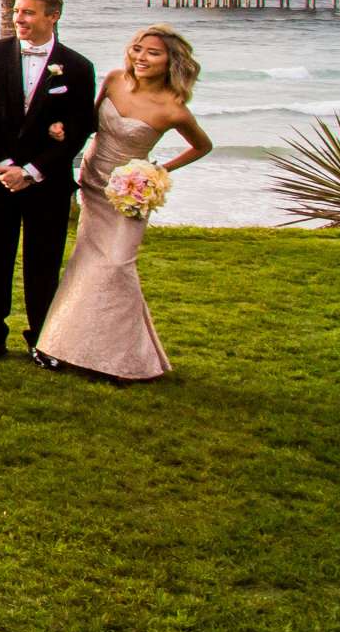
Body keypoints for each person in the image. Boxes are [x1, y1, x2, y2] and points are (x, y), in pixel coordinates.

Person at [37, 25, 211, 381]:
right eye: (137, 49)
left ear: (170, 61)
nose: (141, 57)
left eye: (153, 52)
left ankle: (124, 360)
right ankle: (70, 346)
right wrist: (61, 129)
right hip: (94, 181)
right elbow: (89, 121)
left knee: (117, 266)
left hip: (131, 191)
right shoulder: (115, 80)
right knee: (88, 262)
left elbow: (202, 146)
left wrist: (159, 169)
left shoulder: (174, 108)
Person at [0, 0, 95, 364]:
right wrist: (4, 166)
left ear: (52, 16)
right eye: (16, 11)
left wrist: (33, 171)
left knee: (43, 260)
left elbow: (78, 127)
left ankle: (44, 340)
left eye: (28, 12)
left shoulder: (77, 66)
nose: (18, 18)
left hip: (47, 183)